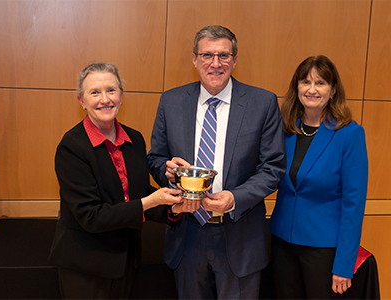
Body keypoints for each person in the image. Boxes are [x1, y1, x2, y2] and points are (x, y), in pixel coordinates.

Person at [147, 25, 286, 300]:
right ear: (194, 59)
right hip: (187, 235)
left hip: (240, 233)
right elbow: (155, 159)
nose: (215, 63)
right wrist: (170, 172)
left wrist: (234, 198)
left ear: (235, 60)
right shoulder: (171, 101)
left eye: (223, 55)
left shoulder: (263, 102)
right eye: (207, 55)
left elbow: (273, 167)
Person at [48, 63, 183, 300]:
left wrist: (174, 208)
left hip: (126, 260)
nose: (104, 99)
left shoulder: (135, 139)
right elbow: (91, 216)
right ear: (81, 100)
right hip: (85, 264)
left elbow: (137, 193)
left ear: (121, 95)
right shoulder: (72, 147)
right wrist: (150, 202)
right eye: (94, 92)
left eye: (111, 90)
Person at [269, 55, 368, 300]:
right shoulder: (284, 129)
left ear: (333, 90)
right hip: (282, 243)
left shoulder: (349, 134)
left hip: (324, 251)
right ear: (297, 88)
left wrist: (344, 266)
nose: (312, 89)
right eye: (305, 82)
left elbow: (353, 205)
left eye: (321, 83)